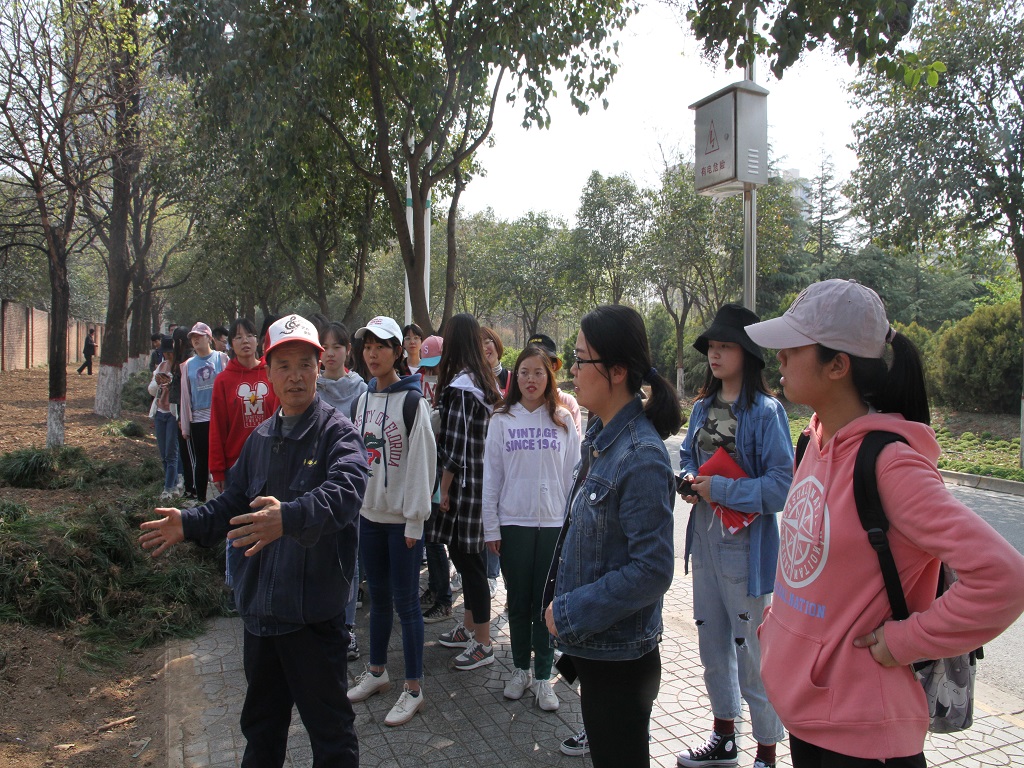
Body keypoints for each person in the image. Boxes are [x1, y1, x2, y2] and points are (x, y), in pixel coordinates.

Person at [744, 279, 1024, 768]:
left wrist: (904, 642)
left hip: (864, 736)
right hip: (809, 718)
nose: (779, 358)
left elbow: (1005, 579)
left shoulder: (890, 465)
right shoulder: (813, 440)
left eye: (794, 346)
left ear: (838, 365)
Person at [139, 313, 369, 768]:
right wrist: (189, 523)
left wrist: (290, 517)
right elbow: (233, 502)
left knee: (332, 737)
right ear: (269, 373)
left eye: (305, 364)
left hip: (312, 618)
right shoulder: (261, 438)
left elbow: (347, 490)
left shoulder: (337, 434)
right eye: (284, 365)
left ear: (319, 368)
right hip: (261, 619)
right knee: (261, 732)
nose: (296, 376)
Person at [543, 304, 682, 768]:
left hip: (621, 659)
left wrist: (571, 611)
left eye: (581, 359)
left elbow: (652, 570)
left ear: (617, 371)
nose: (572, 371)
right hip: (600, 650)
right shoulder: (603, 438)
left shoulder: (641, 455)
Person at [675, 304, 791, 768]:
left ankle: (766, 752)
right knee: (712, 645)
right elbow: (688, 455)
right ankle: (724, 737)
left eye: (726, 346)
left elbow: (780, 486)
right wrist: (689, 480)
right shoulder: (702, 407)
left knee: (751, 652)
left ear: (748, 353)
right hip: (704, 539)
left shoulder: (766, 413)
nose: (716, 354)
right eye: (712, 347)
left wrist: (720, 489)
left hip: (745, 548)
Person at [345, 316, 436, 726]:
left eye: (381, 346)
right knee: (378, 600)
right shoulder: (361, 401)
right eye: (367, 346)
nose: (372, 353)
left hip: (402, 523)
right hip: (369, 518)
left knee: (406, 604)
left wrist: (415, 521)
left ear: (398, 351)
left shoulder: (413, 403)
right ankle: (377, 671)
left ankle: (413, 688)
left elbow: (422, 467)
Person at [483, 345, 580, 711]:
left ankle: (543, 677)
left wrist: (571, 525)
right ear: (516, 377)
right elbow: (491, 477)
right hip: (514, 523)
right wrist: (491, 527)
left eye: (539, 372)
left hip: (553, 525)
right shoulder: (501, 419)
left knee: (546, 604)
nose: (531, 379)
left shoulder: (562, 419)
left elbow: (574, 476)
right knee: (519, 601)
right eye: (524, 372)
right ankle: (520, 669)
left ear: (549, 377)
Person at [425, 313, 502, 671]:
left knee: (470, 564)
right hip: (480, 484)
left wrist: (443, 490)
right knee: (466, 557)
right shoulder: (484, 382)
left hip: (463, 489)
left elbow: (454, 450)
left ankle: (483, 642)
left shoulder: (461, 387)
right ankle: (470, 627)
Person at [315, 320, 369, 661]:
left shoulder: (360, 390)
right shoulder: (311, 387)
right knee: (320, 555)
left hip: (349, 484)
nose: (331, 353)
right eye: (326, 347)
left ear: (348, 351)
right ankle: (322, 622)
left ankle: (347, 629)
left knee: (349, 556)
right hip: (316, 484)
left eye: (338, 346)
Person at [209, 318, 278, 495]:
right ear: (231, 344)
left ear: (258, 341)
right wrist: (217, 469)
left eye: (250, 335)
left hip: (270, 461)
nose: (245, 341)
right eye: (238, 337)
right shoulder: (223, 381)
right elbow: (217, 427)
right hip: (236, 465)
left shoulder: (272, 373)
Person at [417, 335, 454, 625]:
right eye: (427, 366)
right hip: (426, 468)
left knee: (434, 539)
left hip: (443, 471)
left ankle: (444, 598)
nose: (432, 371)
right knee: (429, 536)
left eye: (436, 365)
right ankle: (434, 588)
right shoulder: (419, 383)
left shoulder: (453, 389)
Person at [179, 322, 229, 503]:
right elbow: (185, 396)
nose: (195, 340)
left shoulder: (221, 359)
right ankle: (201, 501)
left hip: (220, 417)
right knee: (201, 461)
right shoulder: (188, 365)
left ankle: (226, 499)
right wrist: (185, 426)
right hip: (198, 420)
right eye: (193, 337)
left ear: (209, 338)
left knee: (224, 458)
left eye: (199, 336)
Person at [526, 333, 583, 437]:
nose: (534, 369)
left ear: (553, 366)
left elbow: (574, 444)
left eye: (542, 362)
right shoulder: (515, 407)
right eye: (530, 361)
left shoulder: (568, 403)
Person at [148, 336, 179, 500]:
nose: (168, 356)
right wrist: (157, 383)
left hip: (173, 414)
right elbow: (152, 390)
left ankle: (168, 488)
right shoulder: (161, 366)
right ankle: (172, 484)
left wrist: (172, 383)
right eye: (165, 353)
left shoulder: (180, 367)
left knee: (171, 452)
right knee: (163, 453)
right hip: (160, 412)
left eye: (170, 352)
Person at [480, 326, 510, 398]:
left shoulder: (513, 379)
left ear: (497, 343)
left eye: (487, 342)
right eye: (478, 346)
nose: (483, 348)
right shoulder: (472, 382)